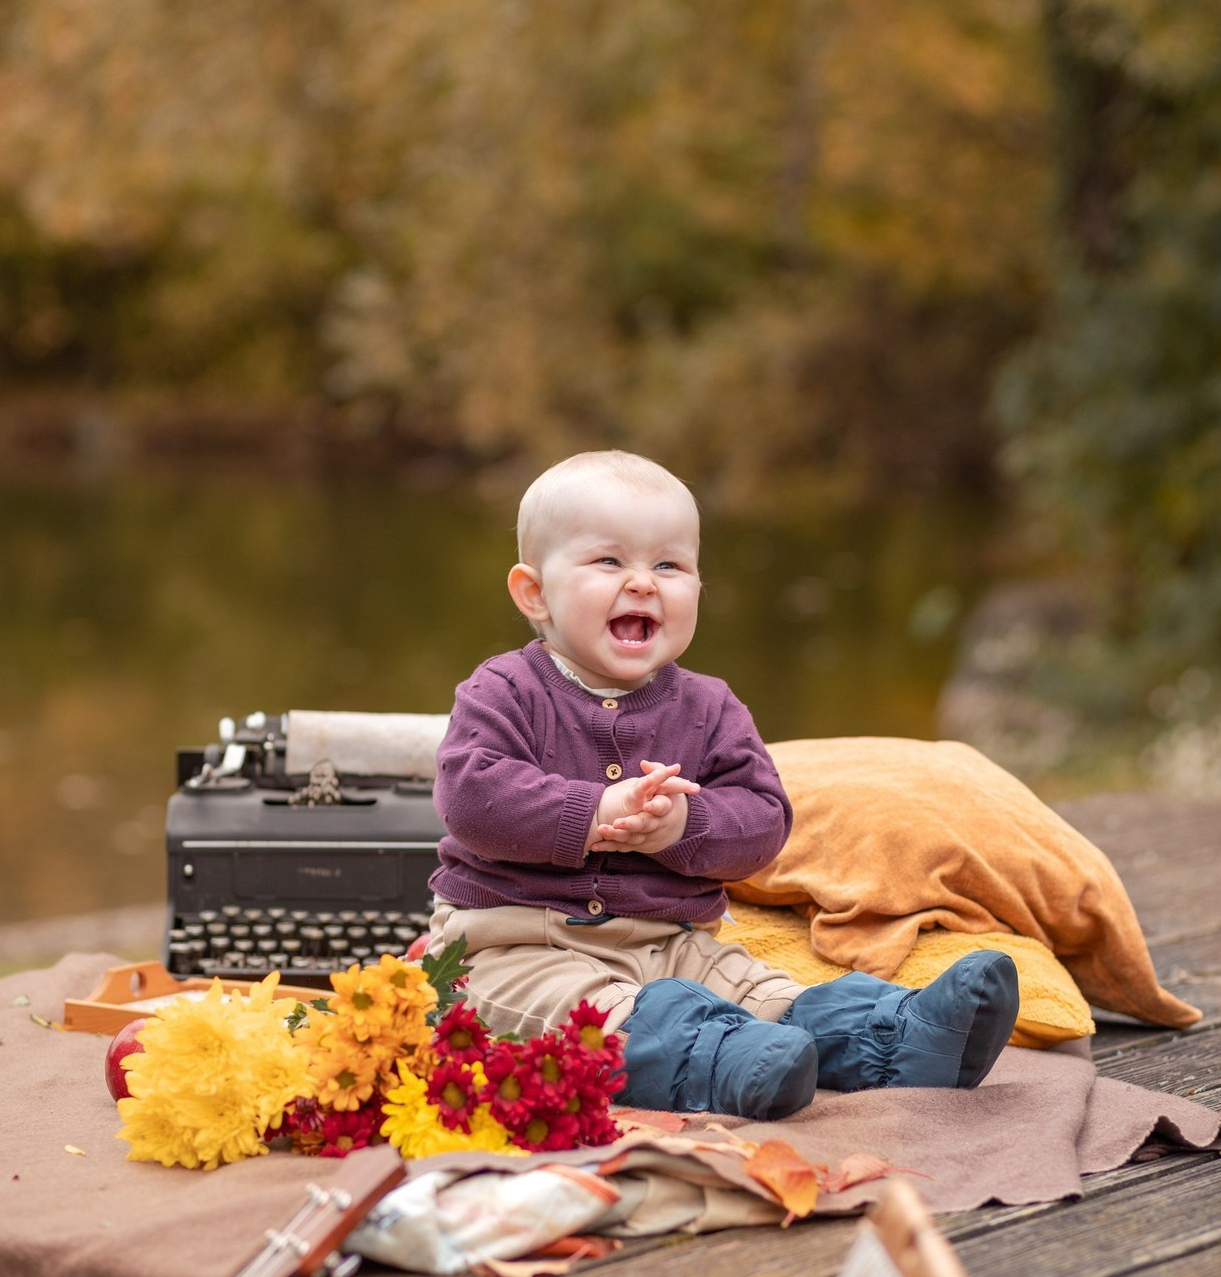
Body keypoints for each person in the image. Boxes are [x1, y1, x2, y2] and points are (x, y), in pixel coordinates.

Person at [427, 450, 1019, 1120]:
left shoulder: (709, 708)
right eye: (609, 562)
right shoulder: (504, 690)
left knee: (765, 994)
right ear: (535, 593)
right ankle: (720, 1063)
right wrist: (594, 810)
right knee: (602, 1022)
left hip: (670, 940)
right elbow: (470, 795)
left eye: (669, 566)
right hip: (520, 945)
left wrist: (684, 826)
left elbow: (763, 819)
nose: (643, 583)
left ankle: (902, 1037)